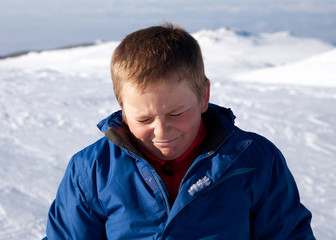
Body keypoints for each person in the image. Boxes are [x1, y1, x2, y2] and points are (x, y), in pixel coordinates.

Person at [43, 24, 315, 239]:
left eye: (177, 113)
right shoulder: (92, 170)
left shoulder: (254, 160)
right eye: (144, 118)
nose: (161, 130)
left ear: (203, 95)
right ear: (122, 109)